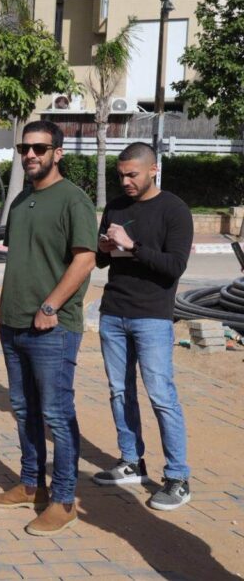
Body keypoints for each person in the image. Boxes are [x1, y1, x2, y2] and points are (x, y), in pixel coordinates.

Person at [0, 120, 97, 537]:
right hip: (14, 323)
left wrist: (51, 305)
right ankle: (31, 485)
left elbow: (85, 259)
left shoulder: (74, 200)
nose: (30, 154)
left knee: (56, 413)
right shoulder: (21, 201)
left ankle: (64, 501)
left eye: (39, 148)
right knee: (23, 409)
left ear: (58, 153)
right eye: (24, 148)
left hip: (53, 327)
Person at [93, 142, 194, 511]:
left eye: (132, 175)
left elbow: (174, 267)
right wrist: (105, 247)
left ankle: (178, 477)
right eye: (121, 175)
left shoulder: (175, 210)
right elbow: (102, 261)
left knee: (161, 396)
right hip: (113, 312)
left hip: (152, 316)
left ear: (154, 170)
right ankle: (131, 461)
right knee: (119, 391)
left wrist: (132, 246)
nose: (126, 182)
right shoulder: (116, 207)